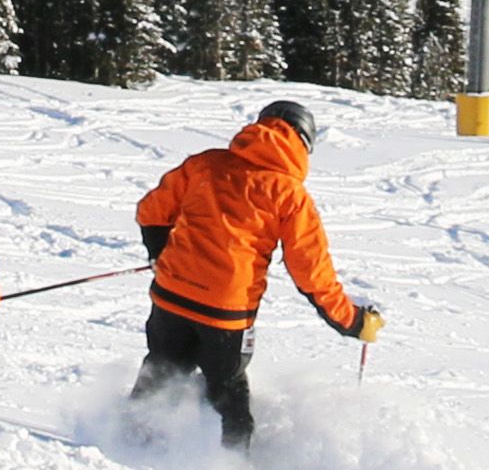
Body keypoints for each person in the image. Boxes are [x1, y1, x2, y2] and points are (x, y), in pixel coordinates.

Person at [129, 97, 378, 450]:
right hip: (226, 314)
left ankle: (125, 447)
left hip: (170, 298)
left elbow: (151, 212)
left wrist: (160, 254)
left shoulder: (207, 163)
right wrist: (351, 320)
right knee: (229, 398)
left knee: (162, 373)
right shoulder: (289, 195)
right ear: (304, 144)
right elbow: (311, 273)